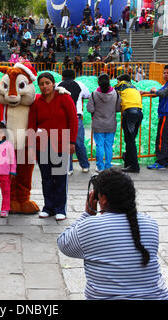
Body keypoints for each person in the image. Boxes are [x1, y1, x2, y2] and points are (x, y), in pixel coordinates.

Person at [57, 168, 168, 300]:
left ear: (103, 199)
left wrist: (87, 214)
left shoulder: (90, 226)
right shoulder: (151, 224)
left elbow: (63, 243)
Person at [27, 72, 78, 221]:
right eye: (41, 84)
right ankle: (48, 207)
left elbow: (73, 120)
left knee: (60, 177)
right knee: (46, 178)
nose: (44, 86)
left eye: (47, 83)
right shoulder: (37, 102)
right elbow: (32, 123)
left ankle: (60, 208)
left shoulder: (65, 98)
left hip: (60, 143)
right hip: (42, 144)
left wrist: (72, 142)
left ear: (53, 83)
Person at [144, 65, 168, 170]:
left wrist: (155, 90)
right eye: (164, 73)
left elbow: (162, 93)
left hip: (167, 114)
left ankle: (161, 161)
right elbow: (158, 93)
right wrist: (146, 92)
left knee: (162, 138)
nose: (165, 75)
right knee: (167, 138)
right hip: (167, 114)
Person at [57, 69, 91, 175]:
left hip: (62, 118)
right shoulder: (80, 85)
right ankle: (85, 165)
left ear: (62, 77)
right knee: (79, 143)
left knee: (65, 143)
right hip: (76, 117)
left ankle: (69, 168)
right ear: (74, 76)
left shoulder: (58, 85)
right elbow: (88, 95)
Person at [87, 73, 121, 172]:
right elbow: (118, 108)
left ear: (98, 82)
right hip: (111, 123)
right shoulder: (116, 93)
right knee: (109, 145)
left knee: (99, 145)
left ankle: (100, 166)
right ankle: (108, 165)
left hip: (98, 124)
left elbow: (90, 109)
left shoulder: (94, 94)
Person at [114, 74, 144, 173]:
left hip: (130, 113)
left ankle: (134, 166)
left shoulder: (122, 84)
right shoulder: (134, 87)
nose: (117, 83)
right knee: (130, 140)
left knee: (130, 140)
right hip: (139, 112)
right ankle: (128, 160)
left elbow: (110, 90)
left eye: (118, 81)